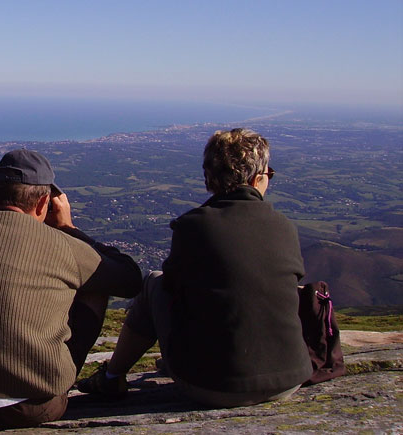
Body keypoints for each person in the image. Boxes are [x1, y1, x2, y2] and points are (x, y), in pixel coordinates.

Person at [78, 128, 313, 407]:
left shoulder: (193, 227)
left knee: (154, 282)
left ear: (209, 177)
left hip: (211, 387)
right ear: (257, 178)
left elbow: (174, 290)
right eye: (268, 175)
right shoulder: (284, 227)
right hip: (290, 380)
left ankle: (112, 376)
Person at [0, 149, 143, 431]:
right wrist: (69, 227)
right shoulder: (63, 245)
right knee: (95, 286)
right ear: (43, 203)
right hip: (33, 408)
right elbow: (131, 280)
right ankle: (87, 380)